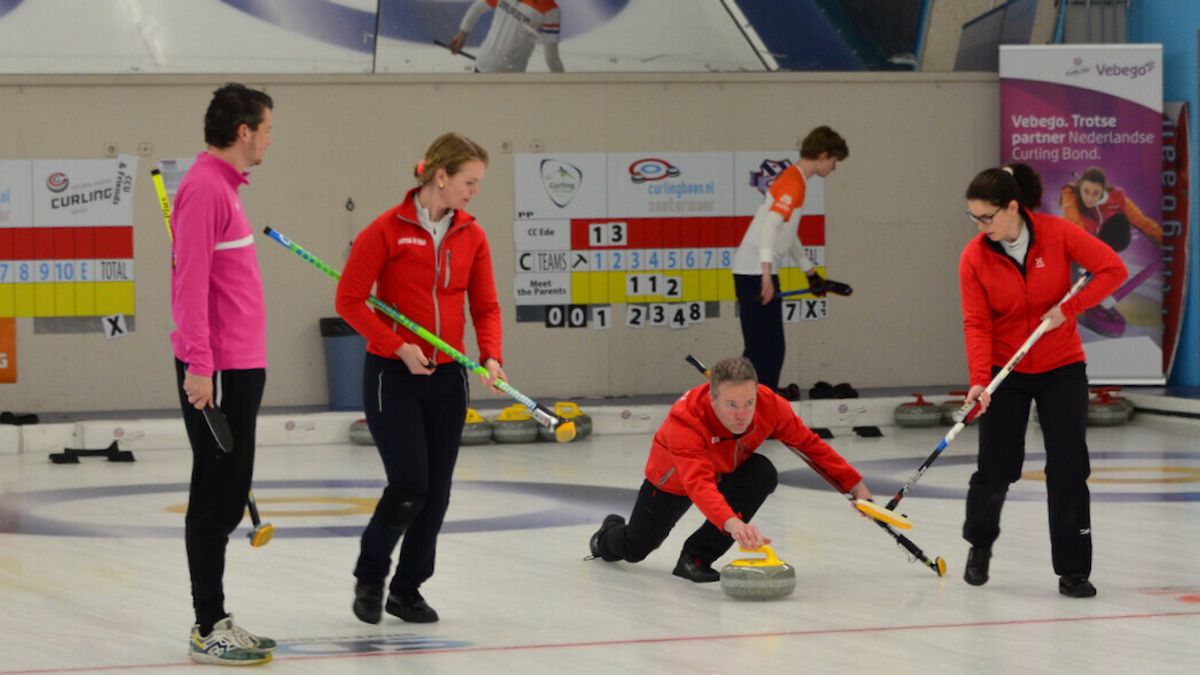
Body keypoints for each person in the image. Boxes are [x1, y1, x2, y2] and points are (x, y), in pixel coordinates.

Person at [336, 132, 505, 625]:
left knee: (439, 490)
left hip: (448, 378)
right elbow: (349, 301)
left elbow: (486, 306)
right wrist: (396, 346)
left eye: (477, 183)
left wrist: (491, 356)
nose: (474, 191)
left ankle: (407, 590)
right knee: (410, 483)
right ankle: (371, 577)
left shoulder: (472, 235)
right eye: (468, 182)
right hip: (394, 375)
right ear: (440, 177)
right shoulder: (385, 230)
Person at [959, 163, 1126, 598]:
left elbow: (1111, 270)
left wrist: (1068, 310)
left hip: (1060, 365)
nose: (980, 227)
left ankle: (1073, 570)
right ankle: (979, 545)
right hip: (1004, 369)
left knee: (1069, 466)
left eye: (986, 217)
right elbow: (976, 323)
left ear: (1012, 207)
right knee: (996, 467)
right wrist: (980, 382)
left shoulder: (1057, 233)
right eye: (973, 218)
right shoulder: (975, 257)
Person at [587, 356, 872, 582]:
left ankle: (696, 558)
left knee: (762, 473)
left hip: (726, 470)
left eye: (749, 403)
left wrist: (855, 487)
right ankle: (605, 537)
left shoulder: (770, 405)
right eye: (732, 404)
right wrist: (733, 524)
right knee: (636, 549)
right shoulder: (686, 420)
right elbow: (698, 484)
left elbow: (810, 446)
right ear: (712, 399)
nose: (742, 414)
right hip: (673, 481)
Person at [171, 83, 275, 665]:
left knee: (228, 492)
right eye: (265, 130)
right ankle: (207, 622)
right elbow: (188, 288)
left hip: (239, 365)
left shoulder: (224, 188)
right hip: (219, 371)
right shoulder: (205, 188)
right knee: (215, 497)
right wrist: (200, 367)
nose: (267, 140)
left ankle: (216, 616)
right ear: (244, 131)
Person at [730, 126, 848, 399]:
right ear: (822, 155)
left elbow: (787, 232)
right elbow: (770, 226)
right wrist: (766, 275)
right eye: (834, 161)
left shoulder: (795, 180)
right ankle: (755, 411)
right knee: (768, 349)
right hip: (753, 273)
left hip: (753, 271)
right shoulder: (793, 183)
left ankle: (739, 402)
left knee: (761, 348)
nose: (834, 168)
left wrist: (809, 272)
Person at [1059, 167, 1164, 337]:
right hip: (1077, 246)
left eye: (1095, 193)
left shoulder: (1116, 199)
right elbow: (1074, 223)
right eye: (1086, 191)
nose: (1090, 197)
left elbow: (1140, 220)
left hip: (1099, 247)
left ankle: (1092, 296)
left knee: (1119, 221)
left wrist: (1162, 239)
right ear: (1080, 187)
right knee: (1070, 274)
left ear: (1103, 192)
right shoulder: (1070, 195)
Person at [447, 0, 564, 73]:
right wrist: (462, 35)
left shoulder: (551, 10)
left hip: (507, 75)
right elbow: (552, 59)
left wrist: (462, 34)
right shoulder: (551, 9)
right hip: (487, 67)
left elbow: (551, 58)